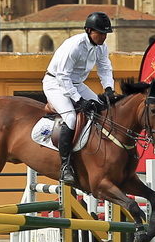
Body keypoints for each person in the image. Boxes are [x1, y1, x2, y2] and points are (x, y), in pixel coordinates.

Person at [42, 11, 116, 186]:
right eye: (101, 32)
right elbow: (63, 76)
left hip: (75, 83)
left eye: (106, 33)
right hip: (55, 83)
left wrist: (109, 89)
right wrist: (77, 99)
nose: (104, 36)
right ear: (89, 30)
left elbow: (105, 69)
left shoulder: (101, 47)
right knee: (71, 117)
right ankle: (65, 165)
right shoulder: (74, 46)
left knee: (103, 109)